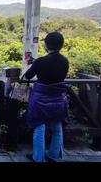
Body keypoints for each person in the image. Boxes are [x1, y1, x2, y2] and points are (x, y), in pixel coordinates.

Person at [23, 31, 69, 162]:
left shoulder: (41, 62)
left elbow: (27, 76)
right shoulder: (65, 61)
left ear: (46, 45)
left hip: (40, 100)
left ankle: (38, 158)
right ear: (61, 45)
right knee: (57, 127)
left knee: (39, 127)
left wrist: (34, 64)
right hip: (58, 99)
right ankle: (53, 155)